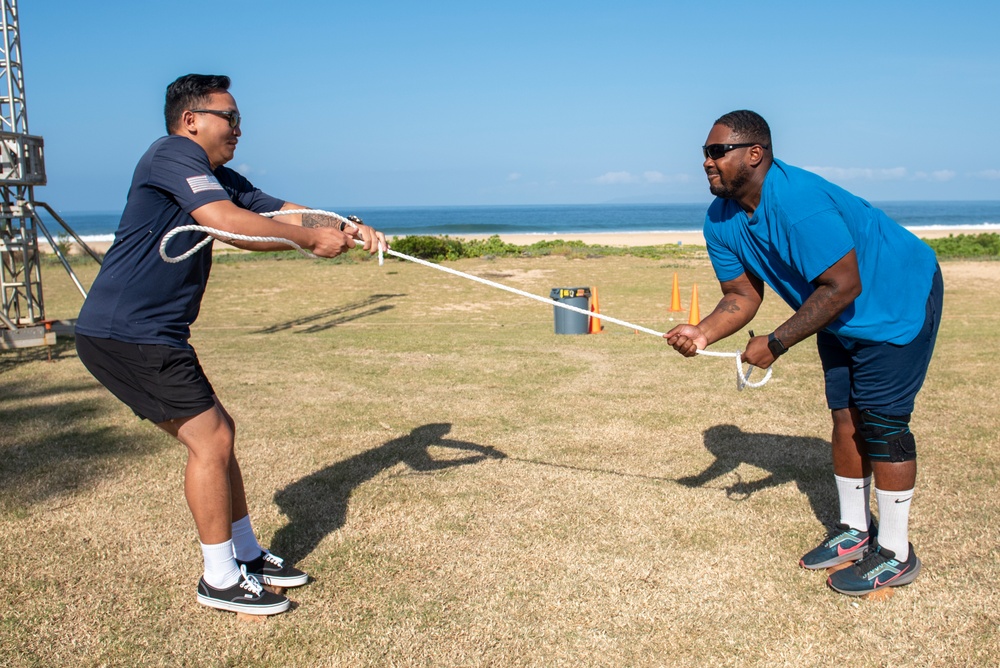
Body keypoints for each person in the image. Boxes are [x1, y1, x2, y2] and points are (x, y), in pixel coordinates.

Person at [75, 74, 388, 616]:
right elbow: (225, 223)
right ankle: (219, 578)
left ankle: (244, 554)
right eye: (230, 117)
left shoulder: (214, 173)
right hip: (125, 332)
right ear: (191, 119)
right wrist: (311, 240)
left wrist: (346, 224)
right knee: (212, 440)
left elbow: (279, 210)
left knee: (220, 435)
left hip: (155, 332)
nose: (239, 129)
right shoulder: (172, 154)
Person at [666, 110, 942, 596]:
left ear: (755, 154)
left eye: (716, 152)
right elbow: (741, 297)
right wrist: (704, 333)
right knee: (845, 418)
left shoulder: (797, 201)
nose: (707, 162)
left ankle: (897, 554)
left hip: (895, 297)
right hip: (833, 310)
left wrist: (775, 343)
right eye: (704, 154)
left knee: (884, 424)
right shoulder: (720, 219)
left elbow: (844, 283)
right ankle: (855, 533)